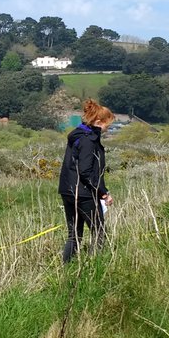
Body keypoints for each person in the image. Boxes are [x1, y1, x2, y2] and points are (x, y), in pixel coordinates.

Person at [59, 99, 114, 263]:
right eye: (107, 125)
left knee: (74, 235)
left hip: (68, 191)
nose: (107, 129)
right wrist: (103, 193)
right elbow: (86, 171)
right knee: (98, 232)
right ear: (98, 122)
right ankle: (95, 267)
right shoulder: (88, 141)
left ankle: (67, 268)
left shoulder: (77, 135)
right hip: (84, 193)